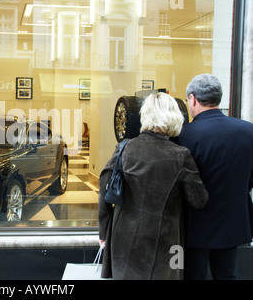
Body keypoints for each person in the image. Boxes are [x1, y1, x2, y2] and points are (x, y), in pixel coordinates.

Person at [98, 92, 208, 280]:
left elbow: (104, 188)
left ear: (145, 116)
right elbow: (199, 200)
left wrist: (103, 232)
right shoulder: (181, 155)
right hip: (169, 242)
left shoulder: (124, 148)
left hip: (124, 236)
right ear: (175, 118)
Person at [177, 74, 253, 280]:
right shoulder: (248, 131)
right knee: (227, 274)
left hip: (195, 223)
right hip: (233, 219)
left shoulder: (184, 135)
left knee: (194, 275)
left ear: (192, 99)